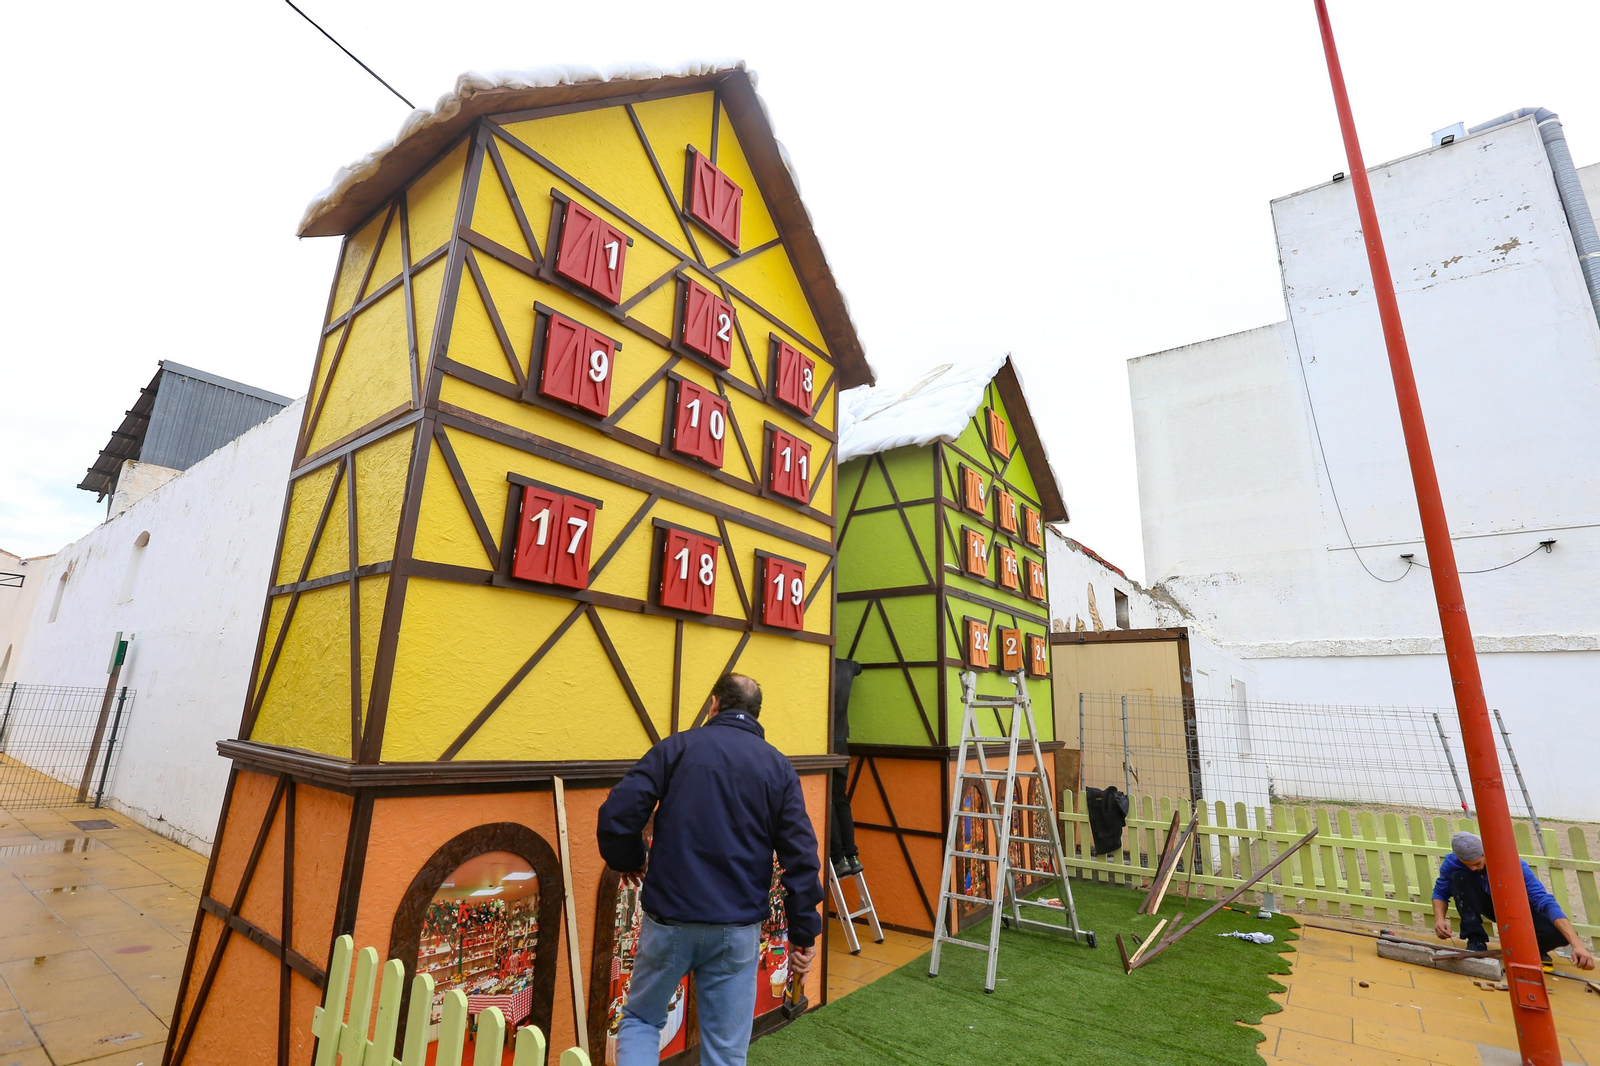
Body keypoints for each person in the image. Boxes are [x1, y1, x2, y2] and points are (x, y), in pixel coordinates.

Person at [596, 673, 825, 1066]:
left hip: (669, 920)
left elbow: (617, 815)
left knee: (640, 1021)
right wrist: (803, 932)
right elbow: (800, 858)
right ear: (756, 714)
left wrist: (631, 860)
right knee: (725, 1051)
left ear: (714, 704)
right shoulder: (778, 769)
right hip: (735, 931)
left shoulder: (677, 748)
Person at [1432, 831, 1594, 970]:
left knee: (1560, 934)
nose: (1473, 868)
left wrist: (1577, 945)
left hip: (1520, 908)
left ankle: (1534, 949)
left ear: (1486, 853)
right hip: (1491, 905)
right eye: (1467, 864)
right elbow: (1440, 891)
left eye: (1477, 864)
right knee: (1459, 877)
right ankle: (1476, 941)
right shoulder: (1452, 863)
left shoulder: (1514, 864)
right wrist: (1439, 920)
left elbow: (1545, 902)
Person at [829, 658, 864, 877]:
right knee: (840, 799)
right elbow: (859, 668)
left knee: (829, 801)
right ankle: (852, 856)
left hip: (823, 741)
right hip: (842, 741)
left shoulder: (821, 664)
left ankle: (838, 858)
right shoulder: (847, 666)